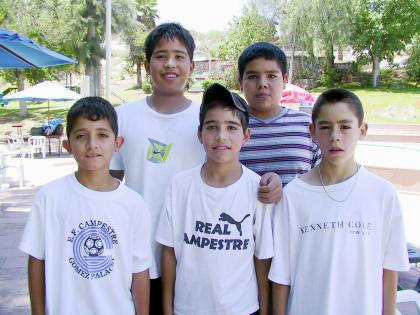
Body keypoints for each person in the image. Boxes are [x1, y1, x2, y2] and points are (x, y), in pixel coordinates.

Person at [110, 23, 281, 313]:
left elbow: (236, 173)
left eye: (179, 56)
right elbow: (107, 187)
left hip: (198, 262)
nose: (170, 64)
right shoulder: (122, 118)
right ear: (147, 62)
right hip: (137, 259)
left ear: (191, 64)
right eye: (161, 56)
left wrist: (272, 180)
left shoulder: (205, 117)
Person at [269, 88, 410, 315]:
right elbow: (281, 274)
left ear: (362, 130)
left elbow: (390, 268)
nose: (335, 136)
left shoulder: (382, 194)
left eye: (345, 126)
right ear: (312, 131)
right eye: (325, 127)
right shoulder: (293, 195)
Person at [19, 97, 151, 315]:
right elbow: (36, 261)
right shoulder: (50, 197)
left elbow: (140, 271)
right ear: (68, 145)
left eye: (102, 135)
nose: (92, 145)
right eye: (81, 136)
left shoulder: (133, 204)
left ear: (117, 143)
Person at [156, 83, 274, 315]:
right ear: (200, 134)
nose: (221, 136)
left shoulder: (256, 188)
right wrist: (167, 310)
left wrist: (265, 309)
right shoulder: (180, 185)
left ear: (246, 135)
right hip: (187, 308)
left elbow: (262, 258)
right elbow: (168, 252)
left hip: (242, 308)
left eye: (231, 127)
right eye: (211, 127)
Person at [238, 42, 321, 187]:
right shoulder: (230, 127)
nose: (262, 84)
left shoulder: (307, 126)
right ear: (240, 82)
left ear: (284, 80)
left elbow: (322, 180)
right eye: (252, 77)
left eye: (271, 75)